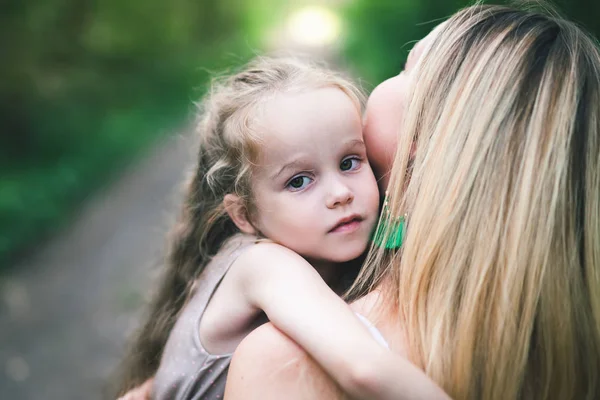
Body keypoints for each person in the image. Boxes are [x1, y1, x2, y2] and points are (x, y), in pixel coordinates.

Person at [224, 4, 600, 400]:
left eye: (407, 66)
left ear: (425, 137)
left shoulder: (287, 365)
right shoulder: (575, 354)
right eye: (300, 181)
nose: (337, 193)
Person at [116, 57, 449, 400]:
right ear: (245, 214)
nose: (340, 194)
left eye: (349, 162)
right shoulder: (263, 265)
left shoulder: (324, 250)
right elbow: (364, 368)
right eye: (299, 181)